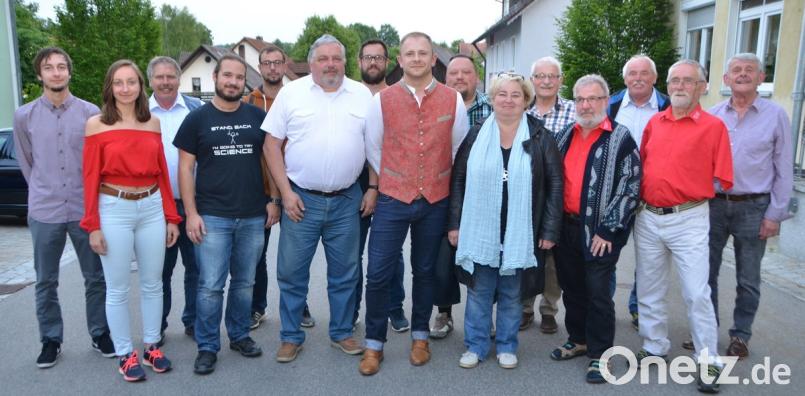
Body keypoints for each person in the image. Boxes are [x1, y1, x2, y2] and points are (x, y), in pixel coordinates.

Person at [361, 31, 469, 376]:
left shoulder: (453, 100)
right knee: (377, 273)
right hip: (393, 197)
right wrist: (395, 177)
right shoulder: (383, 100)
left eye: (423, 53)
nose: (417, 58)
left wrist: (437, 183)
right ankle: (374, 344)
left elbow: (457, 151)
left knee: (424, 272)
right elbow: (373, 147)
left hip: (435, 200)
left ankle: (420, 336)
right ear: (400, 60)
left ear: (433, 59)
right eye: (410, 53)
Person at [262, 34, 372, 363]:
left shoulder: (361, 95)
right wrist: (284, 194)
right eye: (323, 58)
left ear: (344, 62)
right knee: (292, 273)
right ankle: (291, 336)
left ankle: (341, 332)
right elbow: (271, 146)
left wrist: (374, 187)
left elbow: (376, 146)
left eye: (336, 58)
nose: (330, 64)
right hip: (301, 201)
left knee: (346, 273)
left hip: (346, 201)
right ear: (311, 63)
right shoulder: (291, 94)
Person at [449, 72, 562, 369]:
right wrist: (455, 224)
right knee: (479, 290)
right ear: (493, 99)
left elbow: (554, 185)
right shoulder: (476, 133)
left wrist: (550, 229)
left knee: (512, 292)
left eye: (516, 95)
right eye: (502, 94)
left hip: (521, 229)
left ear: (526, 100)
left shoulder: (540, 136)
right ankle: (475, 345)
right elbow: (458, 179)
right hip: (480, 228)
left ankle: (507, 345)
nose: (508, 100)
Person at [80, 59, 181, 382]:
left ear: (141, 86)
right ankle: (125, 353)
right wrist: (93, 225)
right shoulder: (96, 125)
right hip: (114, 208)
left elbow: (162, 173)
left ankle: (152, 345)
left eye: (132, 82)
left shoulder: (151, 122)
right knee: (118, 288)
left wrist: (170, 216)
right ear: (110, 87)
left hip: (151, 206)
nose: (125, 88)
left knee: (153, 283)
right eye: (119, 82)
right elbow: (90, 176)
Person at [636, 59, 733, 394]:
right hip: (648, 216)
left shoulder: (714, 127)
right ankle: (653, 346)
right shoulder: (654, 122)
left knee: (696, 292)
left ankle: (709, 361)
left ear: (702, 87)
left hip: (690, 217)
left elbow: (724, 179)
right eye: (674, 80)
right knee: (649, 287)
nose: (679, 86)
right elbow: (645, 165)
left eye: (687, 81)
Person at [13, 47, 113, 368]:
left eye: (61, 67)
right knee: (45, 280)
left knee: (95, 277)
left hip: (85, 210)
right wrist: (44, 191)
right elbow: (27, 163)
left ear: (69, 72)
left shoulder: (90, 114)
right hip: (45, 211)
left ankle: (99, 333)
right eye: (48, 68)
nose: (56, 73)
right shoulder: (24, 116)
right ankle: (50, 339)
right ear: (39, 74)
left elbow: (98, 163)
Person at [174, 54, 268, 375]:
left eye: (239, 77)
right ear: (215, 77)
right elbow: (185, 169)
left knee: (245, 283)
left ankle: (240, 335)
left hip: (253, 215)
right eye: (227, 75)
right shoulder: (196, 119)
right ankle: (207, 346)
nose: (233, 82)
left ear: (245, 82)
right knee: (210, 285)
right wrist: (191, 214)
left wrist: (273, 201)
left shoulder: (258, 116)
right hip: (212, 216)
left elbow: (268, 162)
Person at [549, 74, 641, 383]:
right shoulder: (564, 135)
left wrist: (609, 230)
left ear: (606, 102)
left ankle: (600, 355)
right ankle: (578, 339)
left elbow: (630, 187)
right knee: (572, 287)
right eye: (581, 99)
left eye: (594, 99)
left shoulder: (621, 138)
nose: (586, 105)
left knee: (599, 293)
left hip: (601, 232)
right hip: (566, 227)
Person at [704, 52, 793, 359]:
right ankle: (706, 331)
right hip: (714, 206)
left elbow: (784, 169)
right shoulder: (713, 115)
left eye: (749, 70)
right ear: (726, 79)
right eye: (736, 70)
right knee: (705, 274)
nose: (742, 74)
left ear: (761, 78)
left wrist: (775, 214)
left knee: (748, 278)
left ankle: (740, 336)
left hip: (754, 207)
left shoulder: (776, 115)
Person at [241, 45, 308, 331]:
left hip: (295, 188)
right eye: (266, 63)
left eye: (277, 63)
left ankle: (299, 307)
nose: (272, 68)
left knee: (296, 256)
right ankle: (257, 308)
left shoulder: (299, 98)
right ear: (260, 66)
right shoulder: (247, 103)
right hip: (260, 192)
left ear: (285, 65)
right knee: (257, 255)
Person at [428, 54, 494, 339]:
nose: (458, 78)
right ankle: (444, 312)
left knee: (484, 257)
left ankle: (483, 316)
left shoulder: (492, 109)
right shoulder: (434, 107)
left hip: (482, 195)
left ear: (476, 77)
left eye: (465, 73)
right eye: (453, 73)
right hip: (441, 192)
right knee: (442, 259)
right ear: (446, 77)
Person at [607, 54, 669, 330]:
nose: (638, 78)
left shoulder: (667, 106)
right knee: (606, 252)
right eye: (633, 73)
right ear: (625, 78)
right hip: (614, 193)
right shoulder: (613, 105)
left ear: (655, 78)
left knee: (648, 258)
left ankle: (638, 308)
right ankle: (603, 305)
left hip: (650, 194)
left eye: (645, 73)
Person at [147, 56, 203, 343]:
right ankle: (156, 326)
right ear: (151, 80)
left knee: (196, 268)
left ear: (179, 79)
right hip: (154, 208)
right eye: (160, 77)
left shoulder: (197, 109)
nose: (166, 82)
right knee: (159, 271)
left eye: (171, 76)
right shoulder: (139, 112)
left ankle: (193, 322)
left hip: (193, 204)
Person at [356, 38, 409, 332]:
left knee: (392, 252)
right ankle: (352, 310)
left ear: (388, 63)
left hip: (392, 181)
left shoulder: (397, 97)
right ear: (359, 62)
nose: (373, 62)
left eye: (379, 57)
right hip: (355, 181)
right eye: (368, 57)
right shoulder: (349, 96)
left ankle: (395, 307)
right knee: (353, 251)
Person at [520, 56, 575, 334]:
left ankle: (549, 309)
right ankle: (525, 307)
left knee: (552, 255)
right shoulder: (520, 110)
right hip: (525, 195)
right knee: (525, 251)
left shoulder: (574, 112)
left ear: (560, 80)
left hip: (558, 193)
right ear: (533, 80)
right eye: (540, 76)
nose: (546, 81)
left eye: (552, 76)